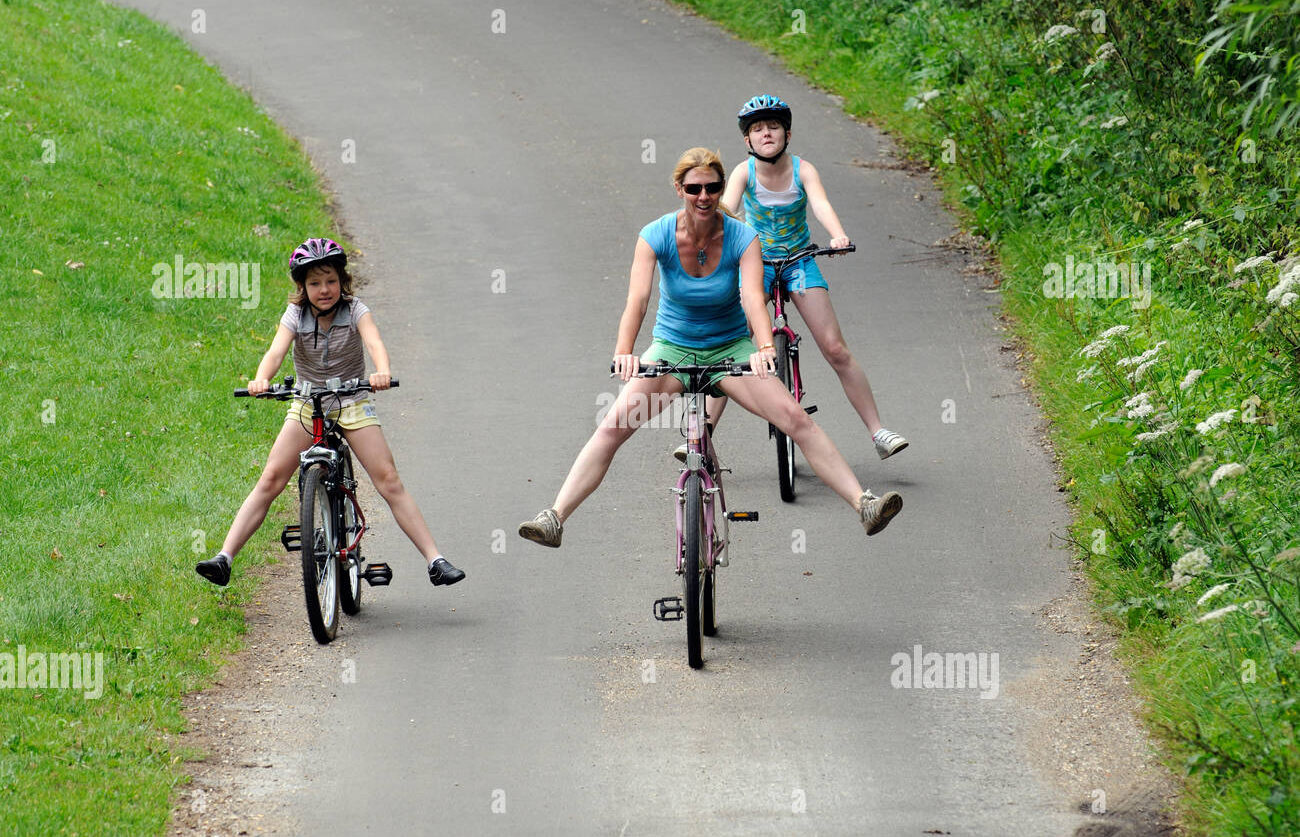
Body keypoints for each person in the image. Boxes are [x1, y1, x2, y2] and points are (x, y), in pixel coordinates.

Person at [518, 148, 902, 548]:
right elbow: (638, 300)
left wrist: (765, 346)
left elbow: (753, 298)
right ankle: (555, 517)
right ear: (679, 189)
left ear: (721, 189)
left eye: (713, 188)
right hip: (672, 350)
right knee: (612, 427)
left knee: (796, 420)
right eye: (694, 188)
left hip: (729, 349)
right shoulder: (656, 235)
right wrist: (624, 351)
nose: (704, 196)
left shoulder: (742, 236)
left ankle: (865, 505)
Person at [196, 237, 465, 588]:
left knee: (389, 480)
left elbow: (374, 342)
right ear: (302, 287)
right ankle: (224, 558)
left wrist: (380, 371)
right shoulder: (295, 314)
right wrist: (262, 379)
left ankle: (435, 560)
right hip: (308, 404)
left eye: (331, 281)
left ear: (342, 281)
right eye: (315, 283)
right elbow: (276, 351)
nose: (324, 290)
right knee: (271, 479)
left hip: (351, 402)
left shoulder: (355, 310)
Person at [701, 94, 907, 461]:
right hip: (756, 263)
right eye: (758, 129)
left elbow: (821, 204)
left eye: (774, 127)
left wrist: (838, 235)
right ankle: (703, 436)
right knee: (734, 348)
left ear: (787, 133)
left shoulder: (803, 169)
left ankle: (879, 432)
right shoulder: (744, 172)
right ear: (747, 140)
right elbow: (729, 210)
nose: (766, 133)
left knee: (835, 348)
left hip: (799, 262)